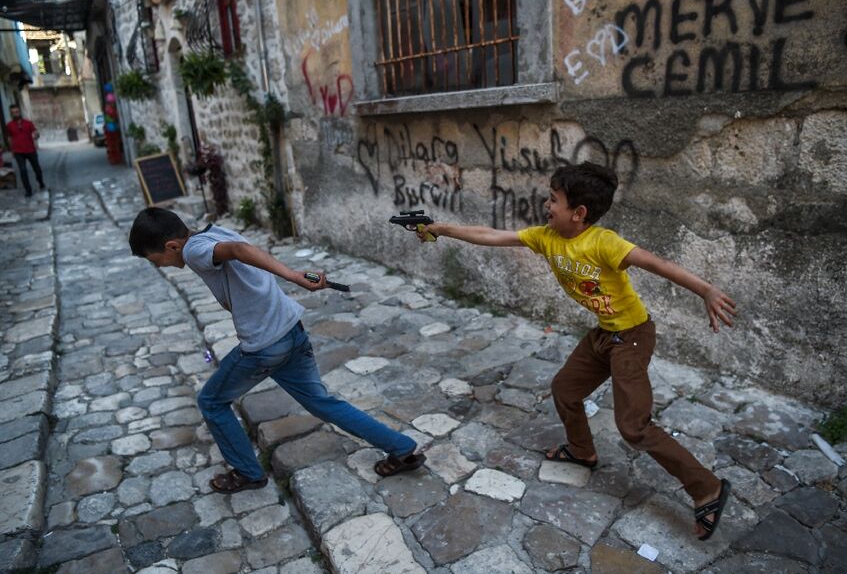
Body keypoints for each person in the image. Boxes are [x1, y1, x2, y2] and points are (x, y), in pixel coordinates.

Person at [413, 162, 737, 541]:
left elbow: (658, 264)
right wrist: (442, 229)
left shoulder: (603, 242)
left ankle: (707, 488)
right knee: (566, 390)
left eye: (553, 199)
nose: (546, 205)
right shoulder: (546, 237)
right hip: (604, 335)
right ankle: (582, 451)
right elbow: (491, 235)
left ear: (578, 213)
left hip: (632, 337)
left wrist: (706, 291)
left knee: (633, 426)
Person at [129, 207, 426, 493]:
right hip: (291, 332)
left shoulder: (193, 251)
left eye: (155, 260)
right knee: (321, 402)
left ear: (171, 246)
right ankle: (401, 449)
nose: (159, 266)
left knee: (211, 402)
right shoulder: (214, 232)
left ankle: (248, 473)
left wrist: (293, 275)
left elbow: (239, 252)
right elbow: (241, 255)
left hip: (265, 346)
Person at [5, 105, 45, 197]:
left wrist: (36, 135)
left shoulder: (28, 123)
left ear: (20, 112)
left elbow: (35, 133)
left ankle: (41, 182)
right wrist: (12, 150)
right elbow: (9, 138)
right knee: (23, 170)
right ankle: (28, 190)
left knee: (37, 169)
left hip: (30, 149)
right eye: (13, 112)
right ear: (11, 114)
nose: (15, 114)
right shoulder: (9, 125)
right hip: (18, 151)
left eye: (17, 112)